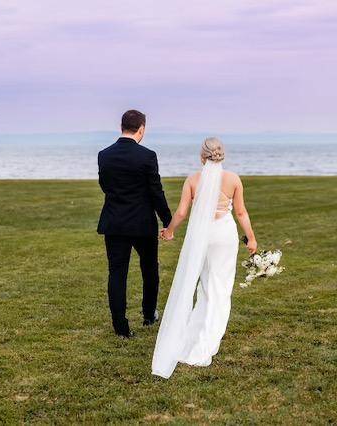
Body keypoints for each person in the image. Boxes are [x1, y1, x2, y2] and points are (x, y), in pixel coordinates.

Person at [152, 137, 257, 378]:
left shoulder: (192, 180)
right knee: (219, 286)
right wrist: (251, 238)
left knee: (200, 283)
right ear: (222, 155)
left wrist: (169, 231)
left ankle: (195, 334)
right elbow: (240, 212)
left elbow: (181, 212)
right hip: (223, 234)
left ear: (202, 157)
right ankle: (207, 339)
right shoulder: (232, 179)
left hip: (201, 234)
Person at [97, 110, 172, 338]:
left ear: (121, 127)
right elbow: (155, 191)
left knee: (117, 273)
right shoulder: (147, 156)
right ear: (141, 128)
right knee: (149, 269)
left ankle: (121, 328)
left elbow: (105, 185)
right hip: (142, 223)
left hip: (115, 222)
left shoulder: (104, 155)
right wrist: (168, 220)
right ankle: (149, 314)